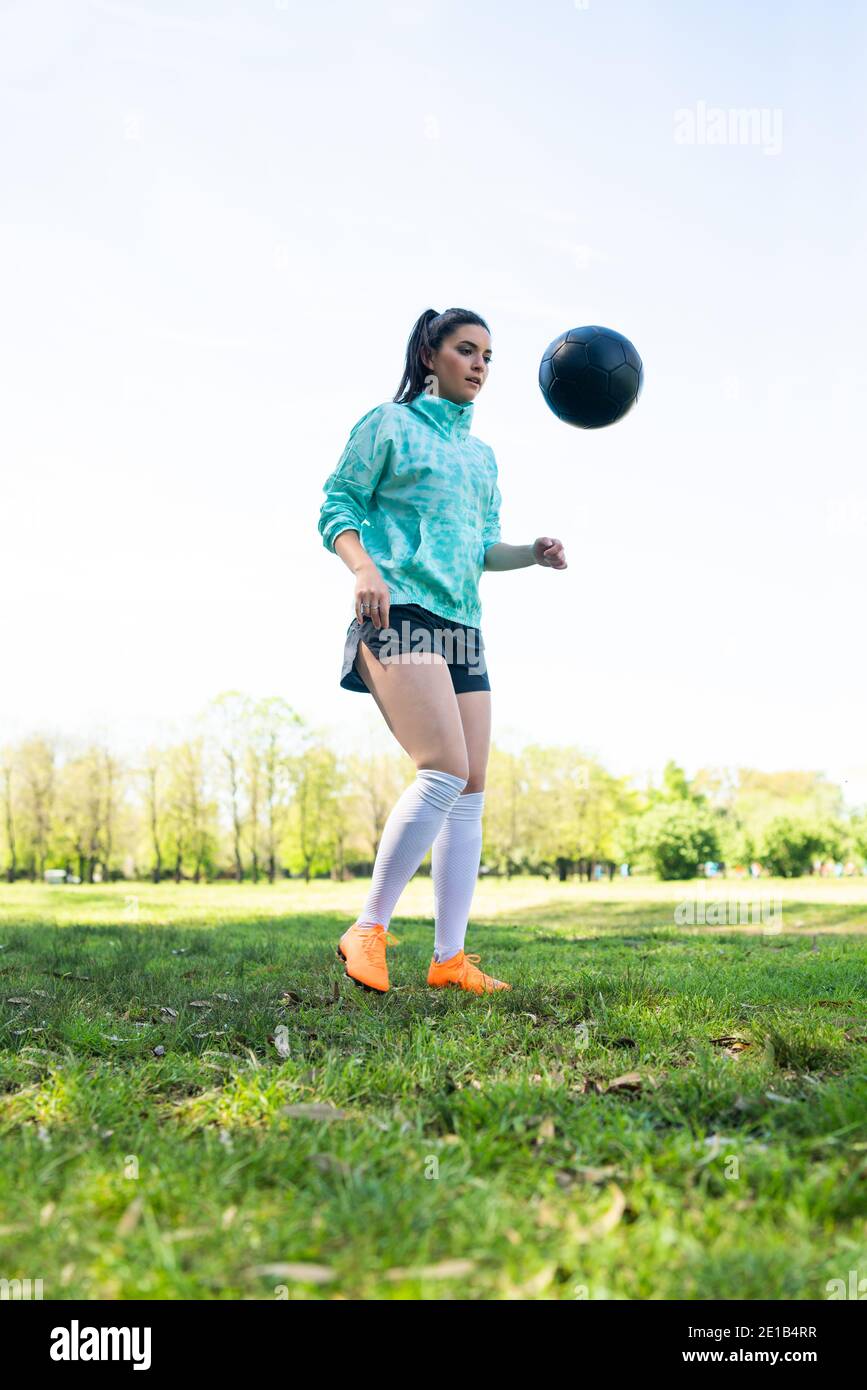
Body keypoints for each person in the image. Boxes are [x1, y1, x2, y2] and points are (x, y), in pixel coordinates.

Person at [317, 306, 567, 994]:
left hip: (463, 623)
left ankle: (448, 959)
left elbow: (483, 547)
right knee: (443, 770)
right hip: (397, 607)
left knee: (471, 789)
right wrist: (363, 570)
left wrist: (530, 554)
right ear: (431, 354)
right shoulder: (388, 424)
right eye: (466, 350)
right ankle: (367, 928)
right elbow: (337, 504)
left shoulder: (481, 456)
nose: (481, 364)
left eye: (488, 355)